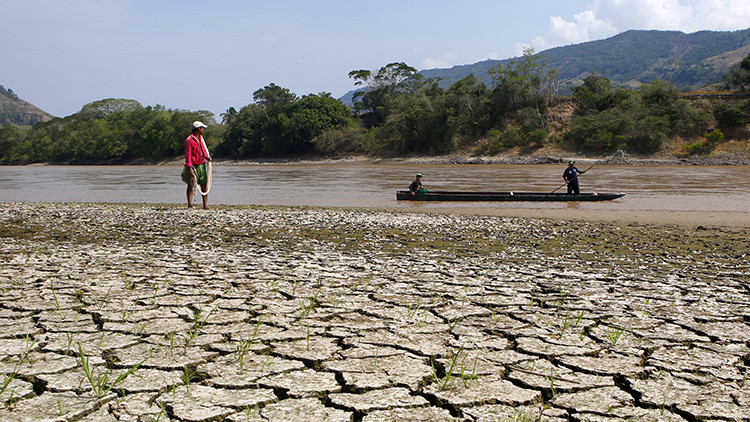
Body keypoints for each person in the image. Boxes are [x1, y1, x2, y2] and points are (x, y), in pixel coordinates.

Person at [182, 121, 212, 209]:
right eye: (202, 128)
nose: (203, 130)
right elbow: (188, 155)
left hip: (201, 164)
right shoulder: (189, 140)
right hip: (193, 165)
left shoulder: (200, 139)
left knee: (204, 185)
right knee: (191, 185)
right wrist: (190, 168)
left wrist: (206, 157)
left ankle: (205, 205)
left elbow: (202, 149)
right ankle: (190, 204)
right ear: (199, 129)